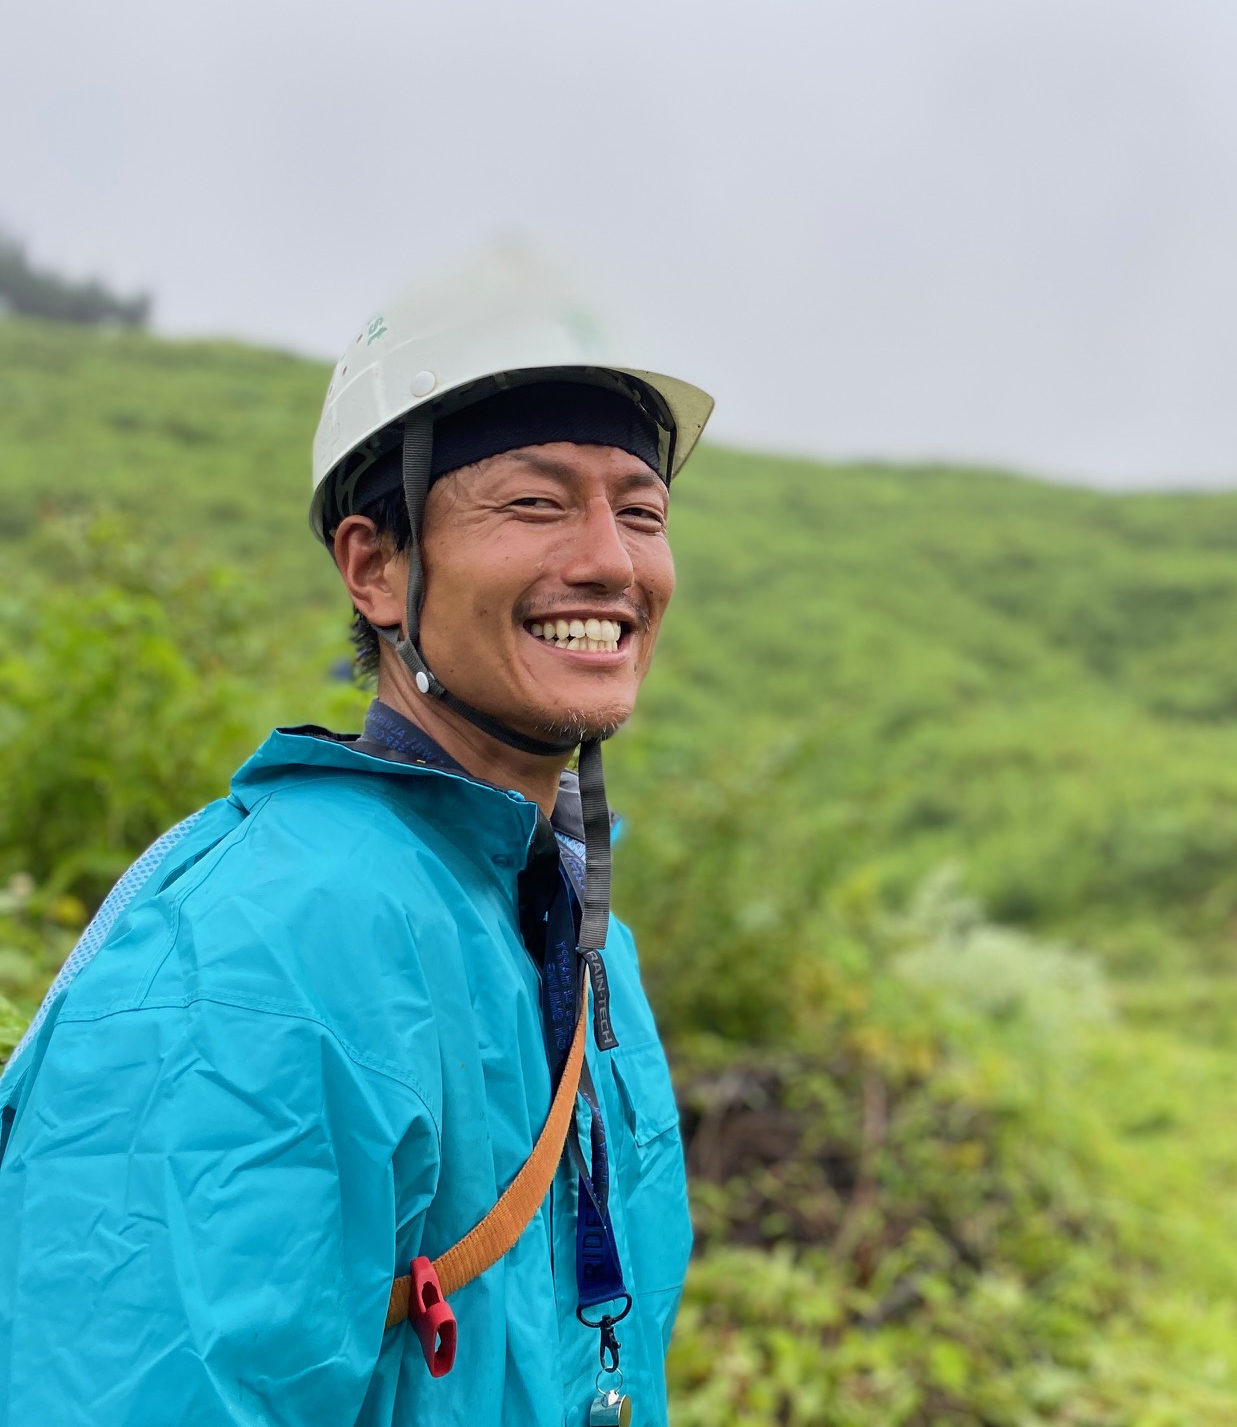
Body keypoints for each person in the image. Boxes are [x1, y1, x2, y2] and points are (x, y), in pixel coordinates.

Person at [0, 251, 713, 1425]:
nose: (611, 560)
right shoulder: (255, 952)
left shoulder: (589, 945)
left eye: (641, 511)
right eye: (535, 503)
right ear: (375, 567)